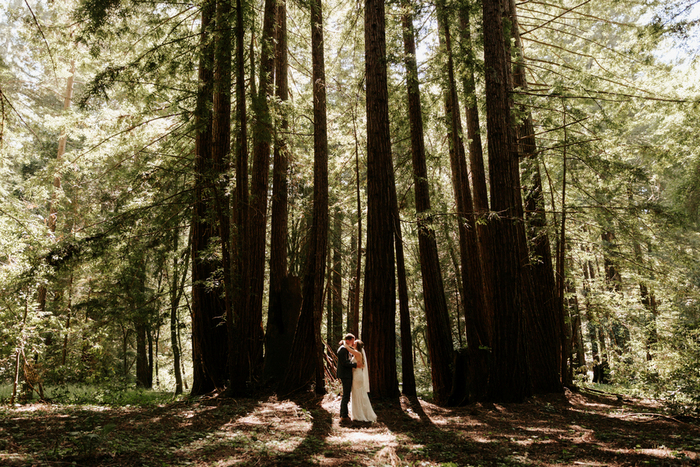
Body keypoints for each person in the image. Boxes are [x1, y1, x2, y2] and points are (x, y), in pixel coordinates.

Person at [345, 339, 377, 422]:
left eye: (354, 343)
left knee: (358, 393)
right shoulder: (357, 353)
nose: (352, 344)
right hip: (356, 375)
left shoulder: (358, 353)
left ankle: (360, 415)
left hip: (357, 376)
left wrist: (345, 343)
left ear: (357, 346)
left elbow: (348, 349)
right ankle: (360, 413)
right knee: (357, 394)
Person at [337, 333, 360, 422]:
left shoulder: (345, 349)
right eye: (352, 340)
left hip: (346, 374)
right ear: (348, 340)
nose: (353, 342)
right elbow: (344, 363)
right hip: (345, 375)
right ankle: (344, 415)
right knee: (346, 395)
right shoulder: (343, 350)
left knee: (346, 395)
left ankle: (344, 414)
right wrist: (355, 365)